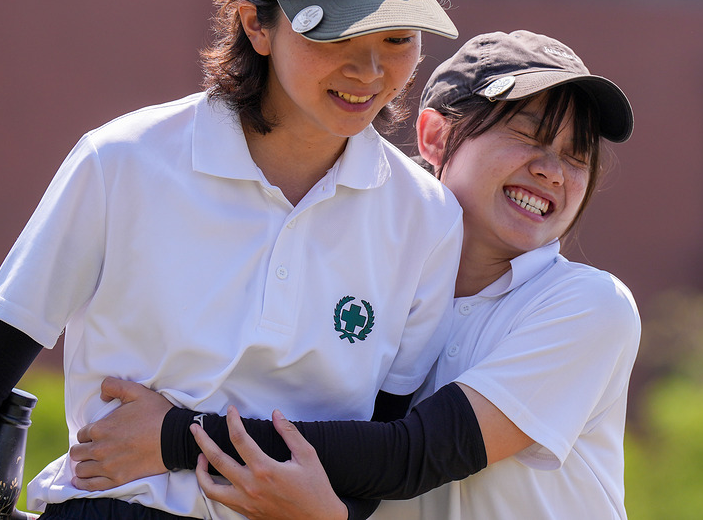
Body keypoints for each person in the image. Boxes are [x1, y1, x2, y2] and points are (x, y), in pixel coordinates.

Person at [0, 0, 463, 520]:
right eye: (335, 35)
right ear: (256, 25)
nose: (369, 71)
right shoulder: (121, 162)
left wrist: (181, 440)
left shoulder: (428, 219)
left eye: (397, 39)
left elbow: (376, 462)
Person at [69, 29, 641, 520]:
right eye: (528, 135)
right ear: (435, 136)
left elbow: (413, 454)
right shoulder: (374, 278)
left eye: (577, 155)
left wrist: (174, 437)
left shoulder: (589, 305)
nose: (553, 172)